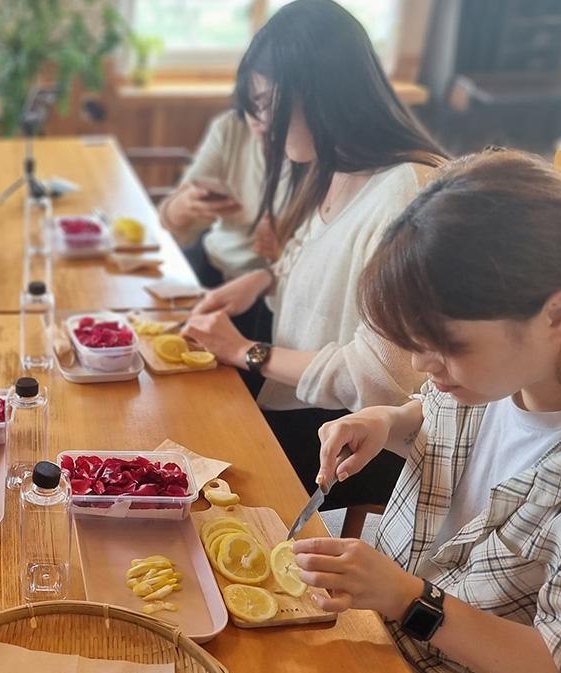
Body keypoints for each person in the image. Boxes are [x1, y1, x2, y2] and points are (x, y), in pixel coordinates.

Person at [298, 150, 561, 673]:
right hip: (402, 655)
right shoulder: (513, 367)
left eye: (446, 346)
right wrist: (393, 420)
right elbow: (462, 415)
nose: (424, 365)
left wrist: (409, 599)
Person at [181, 0, 447, 510]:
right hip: (297, 401)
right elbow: (322, 268)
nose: (259, 125)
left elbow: (379, 379)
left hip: (348, 439)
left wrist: (246, 352)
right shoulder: (333, 166)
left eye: (266, 105)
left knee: (191, 470)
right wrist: (262, 280)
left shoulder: (407, 192)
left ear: (321, 94)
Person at [159, 111, 283, 338]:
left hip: (267, 293)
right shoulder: (230, 127)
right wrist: (186, 204)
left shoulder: (316, 153)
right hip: (211, 261)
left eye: (270, 100)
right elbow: (168, 218)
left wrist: (283, 249)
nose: (260, 114)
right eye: (253, 99)